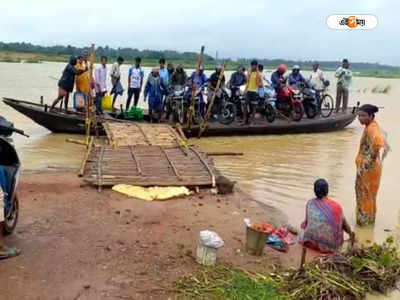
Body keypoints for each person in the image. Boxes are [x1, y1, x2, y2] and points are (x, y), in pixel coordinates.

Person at [355, 104, 389, 226]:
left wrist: (366, 164)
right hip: (372, 169)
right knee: (369, 197)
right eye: (359, 115)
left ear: (370, 116)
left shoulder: (371, 129)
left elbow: (379, 142)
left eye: (363, 115)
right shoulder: (371, 125)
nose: (359, 118)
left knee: (365, 197)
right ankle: (369, 226)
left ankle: (364, 226)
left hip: (368, 171)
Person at [300, 179, 353, 254]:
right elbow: (345, 226)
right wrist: (351, 234)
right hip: (329, 248)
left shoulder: (310, 203)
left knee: (304, 230)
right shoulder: (336, 206)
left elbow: (307, 222)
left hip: (309, 243)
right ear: (327, 190)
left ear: (315, 190)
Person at [243, 60, 263, 125]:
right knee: (245, 105)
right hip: (248, 91)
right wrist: (245, 90)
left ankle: (253, 121)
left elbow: (261, 84)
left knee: (254, 107)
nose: (253, 66)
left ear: (256, 66)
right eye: (252, 65)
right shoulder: (249, 73)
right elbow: (247, 82)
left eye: (254, 65)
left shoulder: (259, 74)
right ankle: (244, 120)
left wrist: (261, 89)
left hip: (255, 92)